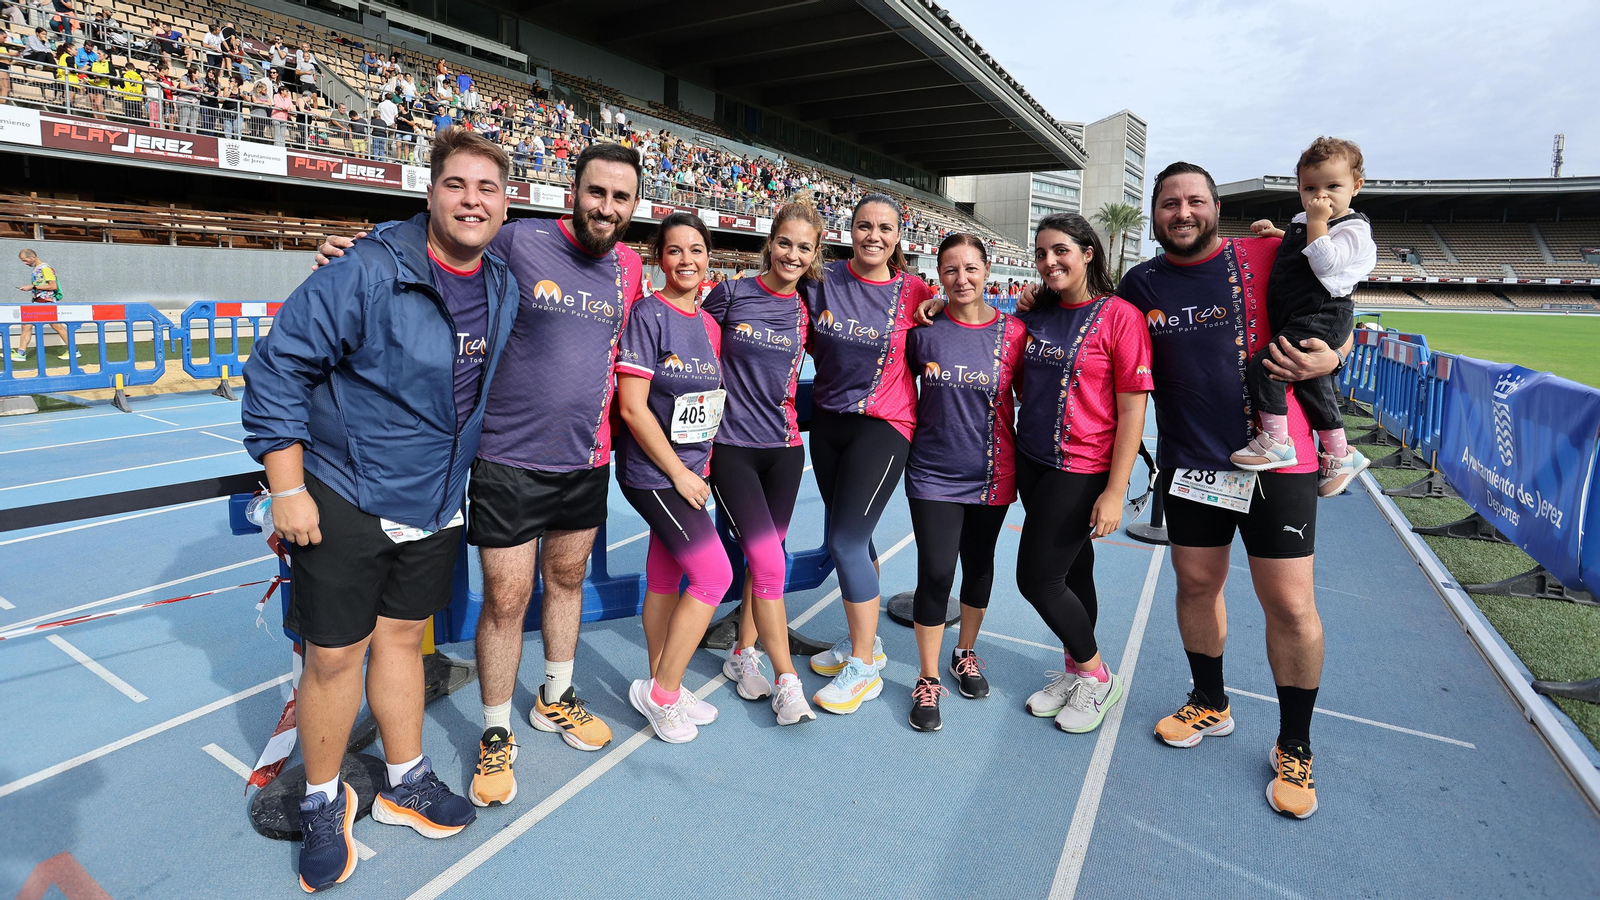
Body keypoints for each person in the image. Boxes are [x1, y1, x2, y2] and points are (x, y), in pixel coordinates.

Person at [314, 142, 646, 808]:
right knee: (505, 597)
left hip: (586, 457)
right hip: (506, 458)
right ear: (570, 193)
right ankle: (496, 729)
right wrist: (350, 249)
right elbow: (437, 242)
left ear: (633, 207)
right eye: (596, 192)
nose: (606, 207)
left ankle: (556, 694)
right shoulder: (517, 243)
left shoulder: (630, 266)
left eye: (620, 197)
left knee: (569, 579)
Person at [1020, 162, 1348, 820]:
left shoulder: (1269, 249)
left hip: (1277, 460)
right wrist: (1039, 298)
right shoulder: (1142, 284)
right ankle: (1210, 701)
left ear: (1215, 207)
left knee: (1288, 603)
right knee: (1195, 584)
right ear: (1154, 216)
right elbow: (1091, 314)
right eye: (1169, 203)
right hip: (1193, 464)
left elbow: (1337, 295)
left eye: (1194, 200)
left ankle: (1296, 744)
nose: (1182, 212)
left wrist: (1334, 355)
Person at [242, 129, 518, 893]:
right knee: (334, 657)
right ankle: (325, 802)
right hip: (347, 495)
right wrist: (288, 486)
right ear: (430, 194)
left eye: (487, 188)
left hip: (435, 499)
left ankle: (404, 778)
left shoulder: (502, 282)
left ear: (505, 205)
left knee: (402, 641)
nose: (472, 199)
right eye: (456, 184)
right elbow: (277, 367)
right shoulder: (366, 270)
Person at [1005, 214, 1153, 734]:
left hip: (1084, 465)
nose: (1050, 262)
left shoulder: (1121, 317)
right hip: (1033, 461)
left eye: (1061, 250)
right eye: (1041, 253)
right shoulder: (1038, 314)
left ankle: (1097, 676)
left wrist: (1115, 491)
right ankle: (1074, 669)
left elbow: (1132, 410)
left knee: (1037, 578)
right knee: (1072, 569)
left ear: (1089, 252)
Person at [802, 193, 936, 714]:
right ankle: (869, 642)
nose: (873, 236)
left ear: (898, 236)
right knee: (853, 534)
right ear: (849, 229)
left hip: (884, 426)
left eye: (884, 228)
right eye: (863, 226)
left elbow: (967, 307)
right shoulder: (824, 281)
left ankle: (863, 667)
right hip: (830, 424)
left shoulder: (915, 291)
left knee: (845, 539)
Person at [703, 202, 825, 726]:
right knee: (770, 563)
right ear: (769, 243)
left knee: (766, 560)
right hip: (731, 448)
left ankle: (742, 652)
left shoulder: (807, 309)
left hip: (785, 450)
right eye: (785, 243)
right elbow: (691, 345)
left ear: (815, 253)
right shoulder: (731, 294)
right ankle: (787, 682)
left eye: (804, 247)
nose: (792, 255)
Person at [899, 233, 1026, 732]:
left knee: (979, 567)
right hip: (931, 471)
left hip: (993, 472)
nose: (961, 279)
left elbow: (1033, 402)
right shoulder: (921, 332)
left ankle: (964, 653)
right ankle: (927, 678)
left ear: (988, 270)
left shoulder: (1015, 333)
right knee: (935, 573)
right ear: (939, 274)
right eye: (950, 270)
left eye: (971, 269)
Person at [615, 213, 731, 743]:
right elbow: (634, 409)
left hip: (692, 471)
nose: (687, 260)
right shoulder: (647, 314)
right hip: (656, 475)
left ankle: (664, 676)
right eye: (675, 251)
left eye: (697, 250)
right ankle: (662, 694)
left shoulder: (708, 323)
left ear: (709, 257)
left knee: (666, 577)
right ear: (660, 259)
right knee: (714, 576)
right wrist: (680, 473)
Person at [1234, 136, 1376, 497]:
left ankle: (1275, 442)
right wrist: (1279, 233)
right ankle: (1340, 452)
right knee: (1314, 384)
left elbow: (1325, 263)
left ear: (1355, 187)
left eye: (1333, 186)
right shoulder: (1306, 219)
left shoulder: (1354, 229)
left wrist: (1315, 220)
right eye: (1310, 188)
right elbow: (1301, 251)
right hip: (1300, 312)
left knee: (1267, 365)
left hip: (1321, 313)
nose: (1320, 197)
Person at [12, 249, 74, 361]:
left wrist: (32, 287)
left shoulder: (45, 268)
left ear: (32, 257)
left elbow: (53, 286)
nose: (25, 263)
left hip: (46, 302)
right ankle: (21, 353)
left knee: (56, 326)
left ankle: (74, 351)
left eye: (25, 260)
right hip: (39, 302)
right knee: (26, 325)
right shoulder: (38, 269)